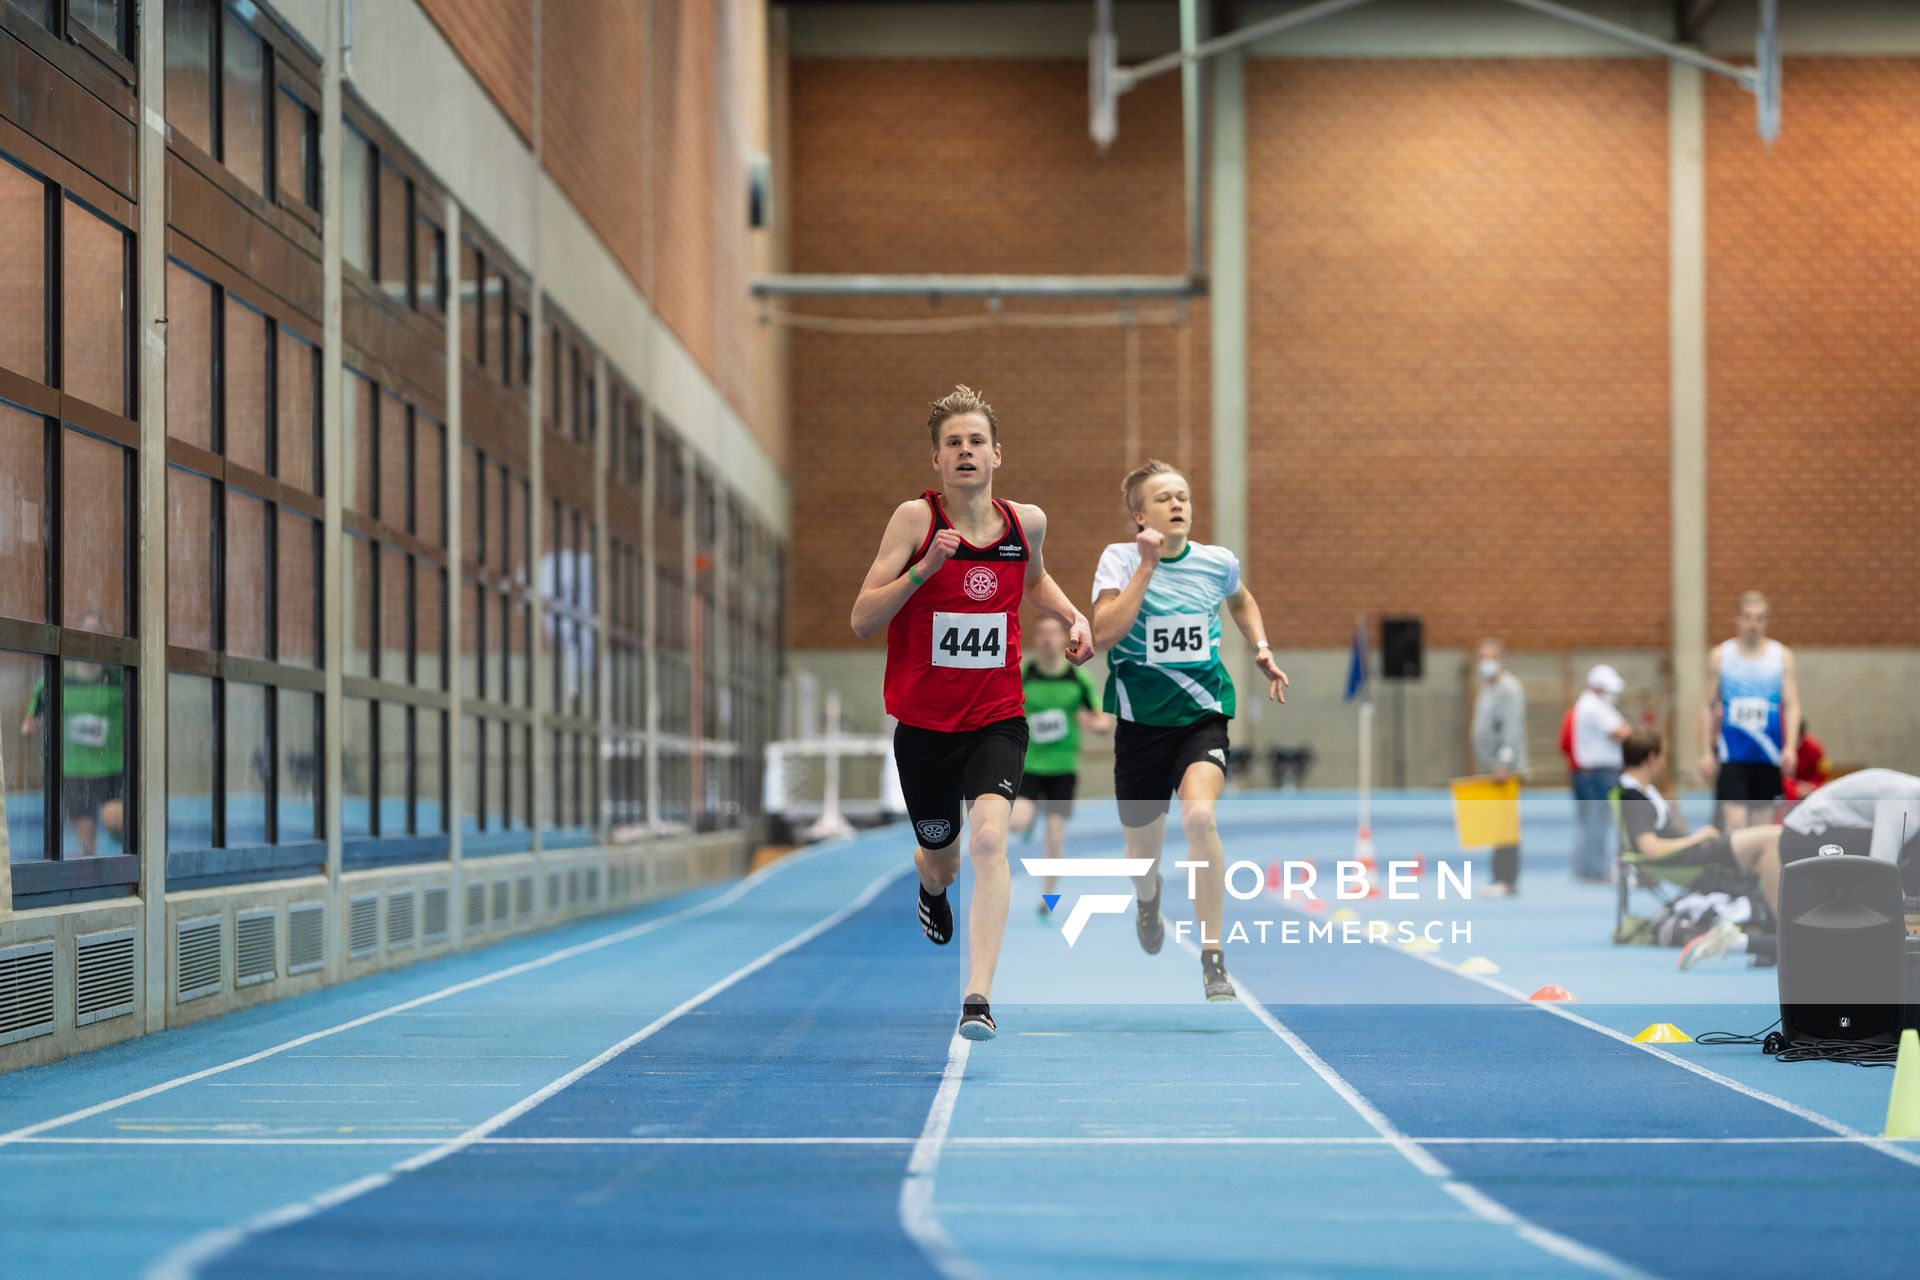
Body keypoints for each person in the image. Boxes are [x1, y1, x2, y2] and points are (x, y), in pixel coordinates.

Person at [850, 386, 1093, 1043]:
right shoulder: (914, 521)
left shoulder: (1025, 524)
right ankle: (930, 885)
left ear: (996, 455)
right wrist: (923, 570)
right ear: (936, 459)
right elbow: (862, 619)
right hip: (924, 729)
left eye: (976, 441)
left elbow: (1032, 581)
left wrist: (1072, 615)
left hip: (996, 718)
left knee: (990, 841)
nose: (965, 451)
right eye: (952, 442)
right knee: (944, 858)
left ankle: (977, 998)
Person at [1091, 459, 1289, 1003]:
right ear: (1140, 516)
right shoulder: (1118, 560)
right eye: (1163, 498)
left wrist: (1260, 647)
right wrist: (1146, 567)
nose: (1178, 504)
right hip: (1140, 726)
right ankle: (1148, 899)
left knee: (1200, 817)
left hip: (1201, 716)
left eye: (1183, 495)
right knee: (1143, 856)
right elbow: (1104, 634)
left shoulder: (1216, 562)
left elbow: (1240, 598)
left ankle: (1213, 957)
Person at [1613, 728, 1784, 970]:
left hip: (1690, 851)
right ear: (1651, 757)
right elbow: (1650, 848)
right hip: (1687, 856)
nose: (1664, 762)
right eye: (1663, 756)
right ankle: (1780, 931)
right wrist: (1695, 839)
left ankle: (1773, 938)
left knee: (1766, 847)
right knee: (1771, 838)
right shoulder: (1633, 796)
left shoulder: (1639, 790)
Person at [1013, 613, 1112, 919]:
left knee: (1054, 837)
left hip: (1063, 768)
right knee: (1015, 824)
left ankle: (1048, 898)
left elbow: (1104, 721)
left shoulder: (1077, 679)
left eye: (1052, 633)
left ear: (1062, 640)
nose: (1047, 639)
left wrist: (1092, 724)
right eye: (1041, 633)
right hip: (1030, 765)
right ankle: (1030, 819)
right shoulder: (1024, 675)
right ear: (1035, 640)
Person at [1699, 591, 1801, 832]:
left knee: (1761, 829)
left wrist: (1790, 747)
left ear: (1766, 621)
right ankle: (1733, 859)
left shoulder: (1781, 656)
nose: (1753, 624)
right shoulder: (1721, 656)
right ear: (1737, 619)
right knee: (1735, 823)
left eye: (1759, 618)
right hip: (1732, 756)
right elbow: (1706, 705)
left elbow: (1792, 705)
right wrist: (1705, 751)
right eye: (1747, 617)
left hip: (1767, 755)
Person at [21, 653, 128, 858]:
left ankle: (122, 839)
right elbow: (39, 698)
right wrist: (30, 723)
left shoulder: (117, 677)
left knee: (114, 820)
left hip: (111, 765)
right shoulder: (58, 677)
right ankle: (89, 856)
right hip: (73, 768)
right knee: (86, 840)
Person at [1470, 637, 1527, 896]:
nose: (1486, 662)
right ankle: (1497, 877)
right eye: (1482, 657)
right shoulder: (1487, 688)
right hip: (1489, 768)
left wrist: (1504, 762)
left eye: (1491, 657)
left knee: (1505, 824)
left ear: (1501, 660)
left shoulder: (1509, 689)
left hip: (1504, 770)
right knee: (1495, 824)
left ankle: (1507, 879)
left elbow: (1511, 730)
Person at [1569, 664, 1630, 883]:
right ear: (1597, 688)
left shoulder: (1589, 704)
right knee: (1597, 823)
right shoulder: (1593, 706)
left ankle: (1586, 867)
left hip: (1591, 773)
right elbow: (1622, 732)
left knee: (1589, 823)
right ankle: (1594, 869)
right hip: (1598, 774)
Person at [1780, 719, 1833, 802]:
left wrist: (1812, 786)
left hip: (1809, 791)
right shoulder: (1778, 748)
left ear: (1802, 736)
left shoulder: (1815, 749)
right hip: (1788, 792)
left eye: (1796, 738)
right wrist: (1794, 788)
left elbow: (1822, 773)